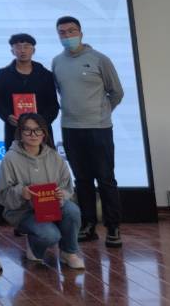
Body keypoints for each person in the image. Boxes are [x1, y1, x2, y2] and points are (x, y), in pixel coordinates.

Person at [52, 16, 125, 248]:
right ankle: (88, 224)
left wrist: (102, 113)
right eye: (62, 32)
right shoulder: (57, 62)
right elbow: (61, 92)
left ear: (81, 33)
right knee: (82, 180)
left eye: (71, 31)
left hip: (99, 129)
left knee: (105, 179)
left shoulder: (100, 59)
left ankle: (113, 227)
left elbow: (116, 92)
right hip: (71, 128)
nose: (67, 36)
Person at [0, 113, 84, 269]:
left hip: (53, 207)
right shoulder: (10, 159)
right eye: (27, 130)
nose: (33, 135)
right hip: (23, 212)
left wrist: (61, 194)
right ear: (20, 133)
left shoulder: (54, 156)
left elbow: (67, 186)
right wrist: (21, 192)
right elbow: (2, 194)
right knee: (50, 235)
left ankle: (68, 252)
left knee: (73, 211)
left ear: (44, 133)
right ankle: (34, 245)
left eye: (38, 130)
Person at [0, 34, 60, 148]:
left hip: (41, 132)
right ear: (12, 51)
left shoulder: (46, 75)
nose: (22, 50)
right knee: (15, 159)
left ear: (33, 50)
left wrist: (41, 123)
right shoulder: (4, 74)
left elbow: (53, 105)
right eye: (18, 47)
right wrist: (8, 116)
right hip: (14, 130)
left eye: (26, 46)